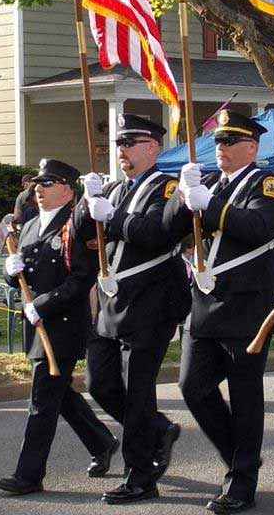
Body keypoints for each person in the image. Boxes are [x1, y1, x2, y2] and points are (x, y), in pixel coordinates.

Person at [163, 109, 274, 513]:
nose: (220, 148)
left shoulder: (265, 183)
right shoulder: (210, 182)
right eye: (217, 142)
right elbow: (172, 230)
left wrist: (211, 206)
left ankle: (241, 481)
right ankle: (240, 455)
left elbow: (258, 228)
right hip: (205, 304)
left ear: (251, 147)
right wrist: (184, 197)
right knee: (192, 387)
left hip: (246, 304)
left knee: (245, 396)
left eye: (229, 142)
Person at [80, 114, 191, 504]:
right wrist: (87, 203)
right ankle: (158, 431)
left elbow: (159, 234)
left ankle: (140, 476)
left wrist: (113, 216)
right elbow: (83, 234)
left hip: (152, 300)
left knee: (138, 391)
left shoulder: (169, 187)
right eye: (119, 144)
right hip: (112, 301)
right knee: (101, 384)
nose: (121, 151)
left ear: (152, 148)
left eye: (129, 143)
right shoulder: (113, 188)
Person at [0, 158, 117, 496]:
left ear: (66, 187)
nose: (38, 189)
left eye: (46, 183)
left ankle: (29, 474)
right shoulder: (32, 225)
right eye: (37, 184)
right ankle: (102, 442)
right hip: (36, 326)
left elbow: (82, 278)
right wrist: (9, 269)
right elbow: (21, 275)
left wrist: (43, 305)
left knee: (42, 401)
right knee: (60, 394)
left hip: (61, 326)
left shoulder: (76, 224)